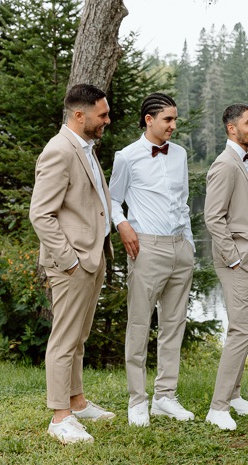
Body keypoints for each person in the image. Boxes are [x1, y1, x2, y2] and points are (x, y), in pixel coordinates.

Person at [29, 83, 115, 444]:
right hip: (72, 263)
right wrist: (69, 262)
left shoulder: (85, 147)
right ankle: (59, 417)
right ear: (79, 115)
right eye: (102, 114)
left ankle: (76, 403)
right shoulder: (59, 151)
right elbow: (41, 214)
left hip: (91, 259)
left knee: (78, 337)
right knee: (64, 340)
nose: (107, 120)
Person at [109, 93, 195, 427]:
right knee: (140, 324)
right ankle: (137, 401)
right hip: (145, 248)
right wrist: (123, 225)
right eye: (168, 120)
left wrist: (188, 242)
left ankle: (165, 398)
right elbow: (114, 199)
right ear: (149, 120)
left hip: (180, 247)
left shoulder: (181, 155)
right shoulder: (127, 157)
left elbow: (184, 201)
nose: (173, 126)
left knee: (174, 325)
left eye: (175, 119)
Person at [204, 103, 248, 431]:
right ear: (233, 129)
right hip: (237, 262)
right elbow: (213, 217)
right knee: (241, 330)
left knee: (246, 328)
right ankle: (217, 407)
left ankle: (234, 395)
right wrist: (234, 257)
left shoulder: (245, 162)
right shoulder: (226, 165)